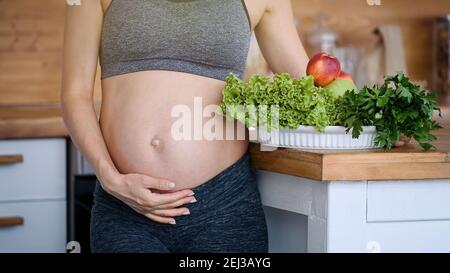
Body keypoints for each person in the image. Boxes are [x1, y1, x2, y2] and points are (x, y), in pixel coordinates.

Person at [62, 0, 309, 253]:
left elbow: (310, 88)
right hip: (125, 207)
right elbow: (75, 95)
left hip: (225, 206)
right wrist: (109, 178)